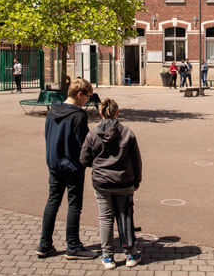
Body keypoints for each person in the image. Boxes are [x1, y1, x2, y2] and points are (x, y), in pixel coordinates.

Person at [36, 78, 97, 260]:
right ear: (79, 95)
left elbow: (48, 136)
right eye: (87, 97)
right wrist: (90, 162)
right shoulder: (78, 116)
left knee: (53, 202)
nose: (87, 101)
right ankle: (73, 245)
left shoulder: (53, 110)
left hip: (54, 164)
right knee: (74, 205)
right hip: (72, 166)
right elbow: (84, 144)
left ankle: (44, 244)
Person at [80, 97, 143, 270]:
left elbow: (84, 158)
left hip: (102, 182)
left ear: (100, 113)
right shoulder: (127, 132)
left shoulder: (93, 133)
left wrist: (99, 165)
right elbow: (136, 160)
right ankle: (131, 253)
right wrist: (137, 180)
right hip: (124, 181)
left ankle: (107, 256)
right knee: (126, 216)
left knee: (105, 218)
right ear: (117, 113)